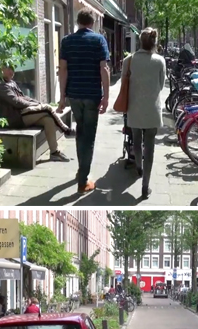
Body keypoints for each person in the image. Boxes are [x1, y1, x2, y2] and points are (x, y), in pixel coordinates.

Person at [57, 9, 110, 194]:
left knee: (80, 131)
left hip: (74, 95)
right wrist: (106, 97)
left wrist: (62, 97)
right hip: (92, 95)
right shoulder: (99, 40)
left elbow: (62, 70)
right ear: (92, 22)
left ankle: (81, 170)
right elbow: (104, 69)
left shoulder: (67, 41)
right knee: (89, 137)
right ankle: (83, 181)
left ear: (78, 21)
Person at [122, 27, 166, 199]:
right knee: (150, 148)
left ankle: (138, 166)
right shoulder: (160, 61)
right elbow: (161, 85)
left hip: (134, 109)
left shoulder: (129, 60)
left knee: (136, 141)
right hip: (153, 111)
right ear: (154, 43)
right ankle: (145, 186)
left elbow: (124, 84)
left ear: (140, 41)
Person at [0, 66, 75, 162]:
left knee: (48, 120)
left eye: (13, 69)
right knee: (47, 109)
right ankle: (66, 130)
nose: (11, 71)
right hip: (15, 118)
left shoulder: (12, 83)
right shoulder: (1, 86)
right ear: (1, 70)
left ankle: (54, 152)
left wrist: (36, 103)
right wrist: (34, 105)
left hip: (23, 114)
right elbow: (16, 102)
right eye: (8, 69)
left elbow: (24, 97)